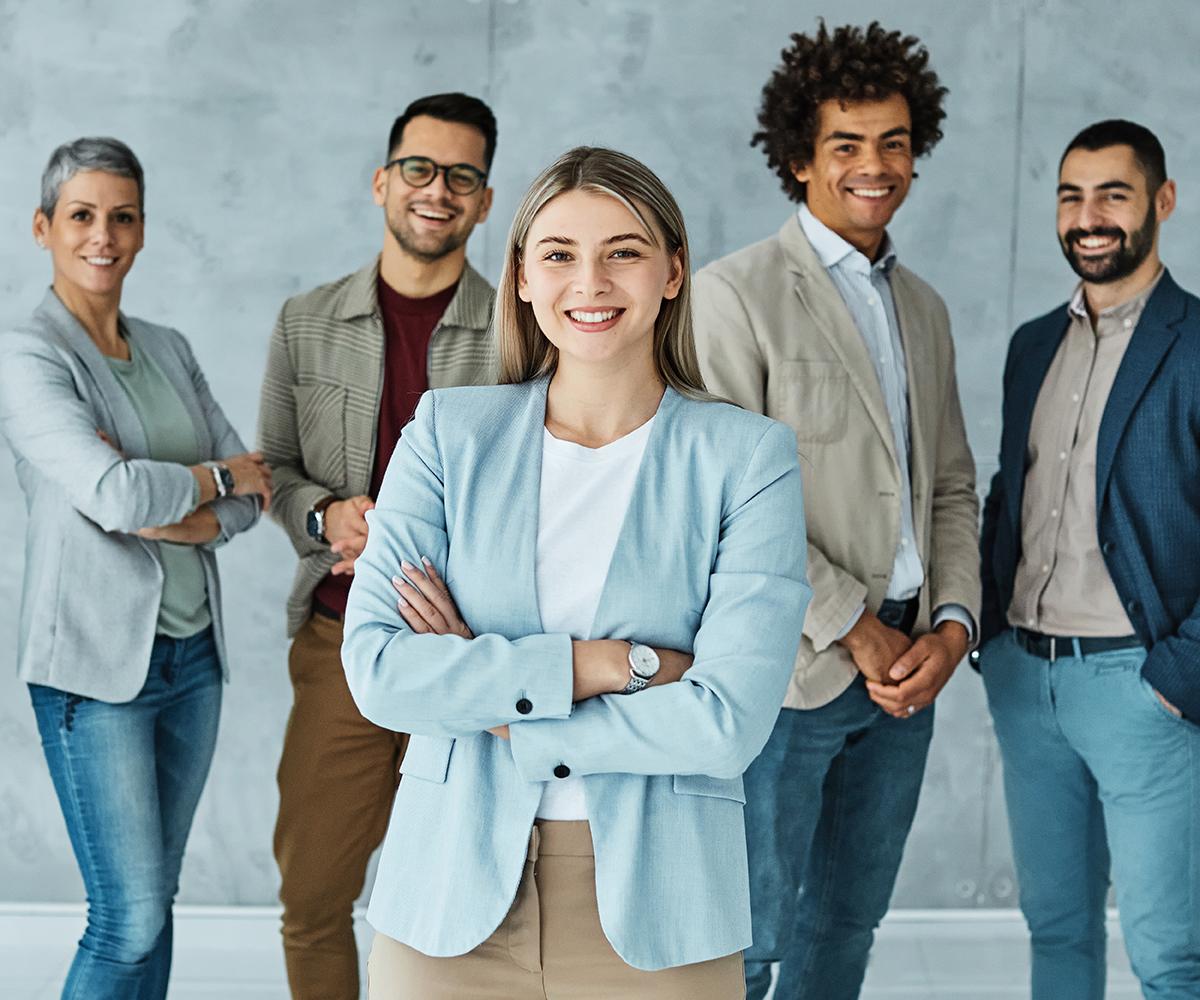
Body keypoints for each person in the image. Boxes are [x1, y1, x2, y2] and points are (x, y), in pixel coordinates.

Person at [339, 146, 810, 998]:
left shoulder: (749, 458)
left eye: (622, 251)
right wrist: (604, 666)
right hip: (447, 898)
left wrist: (497, 702)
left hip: (662, 911)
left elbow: (725, 723)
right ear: (521, 277)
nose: (589, 282)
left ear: (672, 271)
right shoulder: (448, 435)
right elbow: (379, 672)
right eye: (558, 255)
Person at [692, 22, 981, 1000]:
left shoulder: (926, 310)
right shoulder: (733, 297)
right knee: (748, 939)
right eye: (847, 145)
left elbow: (948, 484)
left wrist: (951, 625)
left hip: (911, 676)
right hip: (791, 674)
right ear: (798, 158)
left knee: (846, 926)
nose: (875, 165)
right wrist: (853, 627)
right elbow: (724, 496)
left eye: (894, 142)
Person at [0, 137, 267, 1000]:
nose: (101, 235)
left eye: (122, 216)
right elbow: (117, 495)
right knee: (129, 916)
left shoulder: (168, 346)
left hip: (192, 661)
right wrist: (208, 482)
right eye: (81, 215)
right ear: (44, 227)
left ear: (143, 230)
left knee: (157, 902)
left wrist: (188, 506)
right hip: (93, 669)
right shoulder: (27, 355)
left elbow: (252, 493)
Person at [255, 92, 497, 1000]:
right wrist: (324, 516)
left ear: (482, 200)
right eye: (420, 169)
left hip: (476, 653)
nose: (437, 191)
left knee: (481, 900)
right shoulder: (304, 322)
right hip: (342, 643)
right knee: (313, 897)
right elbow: (276, 467)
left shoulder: (523, 330)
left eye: (461, 177)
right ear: (383, 182)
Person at [978, 119, 1200, 1000]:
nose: (1089, 215)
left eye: (1114, 193)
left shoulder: (1195, 342)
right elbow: (1009, 496)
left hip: (1142, 688)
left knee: (1170, 958)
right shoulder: (1035, 344)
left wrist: (1176, 678)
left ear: (1162, 202)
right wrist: (991, 634)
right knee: (1058, 929)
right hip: (1026, 683)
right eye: (1072, 195)